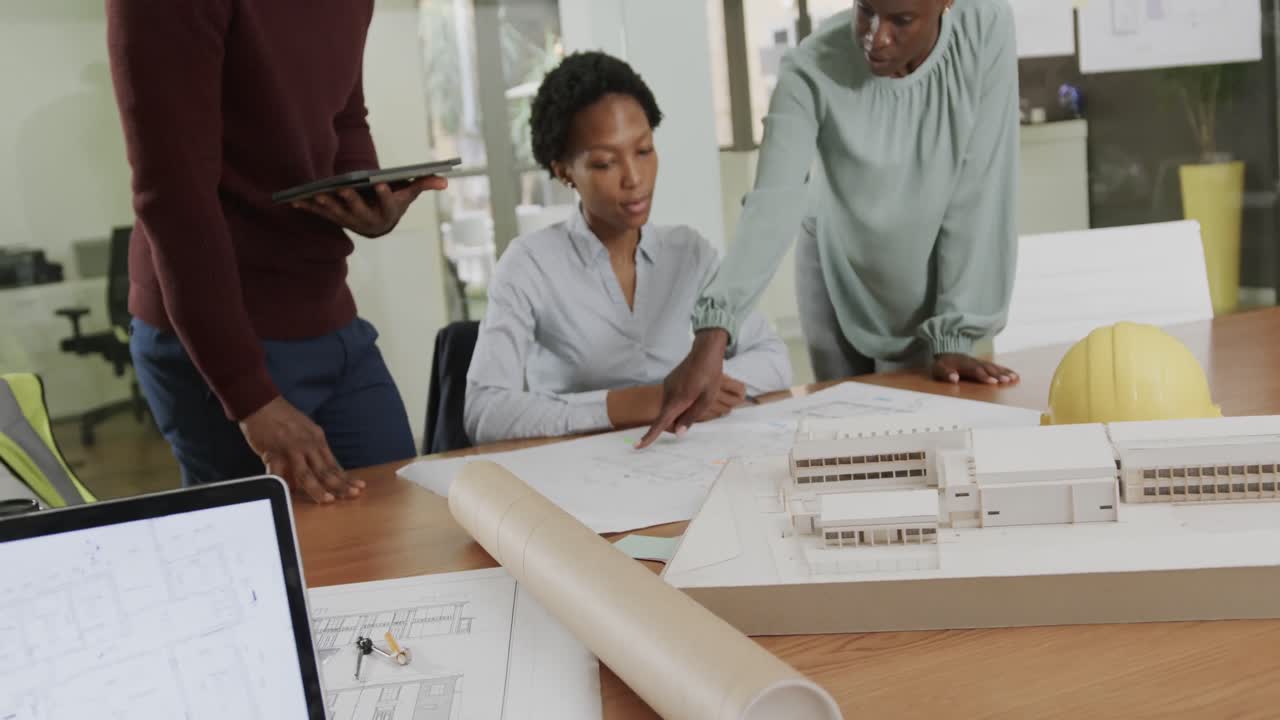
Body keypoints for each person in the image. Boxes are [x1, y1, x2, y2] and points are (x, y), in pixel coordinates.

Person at [639, 0, 1022, 448]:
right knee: (852, 450)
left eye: (901, 20)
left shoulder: (985, 29)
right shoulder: (811, 66)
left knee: (946, 449)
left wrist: (956, 333)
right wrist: (712, 335)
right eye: (866, 10)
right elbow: (773, 201)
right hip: (835, 271)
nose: (876, 37)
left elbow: (979, 188)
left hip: (940, 283)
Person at [106, 1, 446, 503]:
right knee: (282, 559)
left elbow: (346, 115)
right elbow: (174, 200)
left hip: (324, 308)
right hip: (216, 330)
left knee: (400, 516)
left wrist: (365, 197)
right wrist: (249, 398)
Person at [464, 51, 792, 446]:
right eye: (605, 163)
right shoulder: (530, 265)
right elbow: (484, 412)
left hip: (683, 458)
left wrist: (699, 386)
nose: (635, 178)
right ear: (564, 170)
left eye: (644, 151)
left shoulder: (688, 253)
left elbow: (774, 359)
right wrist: (635, 402)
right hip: (575, 472)